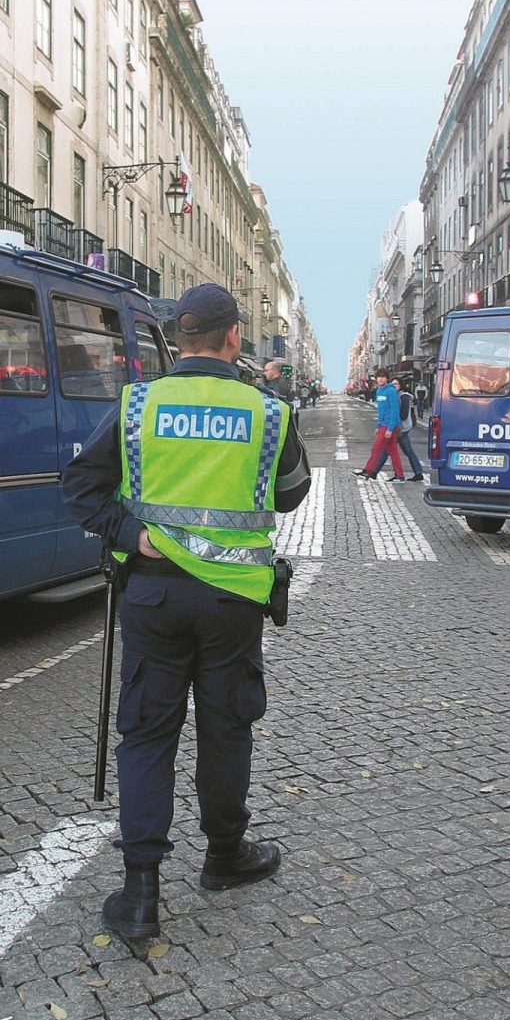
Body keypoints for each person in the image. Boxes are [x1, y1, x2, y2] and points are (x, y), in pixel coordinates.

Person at [61, 283, 311, 942]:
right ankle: (226, 855)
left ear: (178, 340)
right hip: (233, 601)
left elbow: (79, 485)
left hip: (152, 592)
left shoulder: (137, 404)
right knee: (227, 727)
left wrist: (125, 532)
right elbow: (290, 495)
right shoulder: (267, 410)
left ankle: (140, 890)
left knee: (146, 733)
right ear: (234, 338)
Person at [359, 372, 408, 480]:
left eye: (383, 377)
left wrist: (390, 429)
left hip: (389, 424)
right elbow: (381, 411)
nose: (380, 379)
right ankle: (400, 475)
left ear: (387, 379)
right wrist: (378, 426)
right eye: (378, 377)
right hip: (383, 425)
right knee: (393, 451)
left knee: (376, 448)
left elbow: (395, 410)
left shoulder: (391, 391)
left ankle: (367, 471)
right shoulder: (379, 391)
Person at [394, 379, 426, 481]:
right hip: (401, 428)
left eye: (396, 384)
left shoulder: (404, 397)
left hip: (402, 428)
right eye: (392, 384)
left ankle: (372, 471)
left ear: (401, 385)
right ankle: (418, 472)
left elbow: (403, 415)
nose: (393, 386)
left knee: (386, 451)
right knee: (408, 451)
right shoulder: (398, 396)